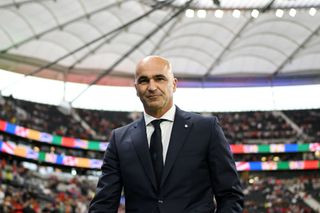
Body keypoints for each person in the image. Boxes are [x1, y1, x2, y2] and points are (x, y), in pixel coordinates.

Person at [89, 56, 244, 212]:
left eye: (159, 79)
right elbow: (104, 204)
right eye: (144, 81)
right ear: (136, 88)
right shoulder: (119, 139)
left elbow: (230, 195)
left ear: (174, 84)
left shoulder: (206, 129)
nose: (151, 87)